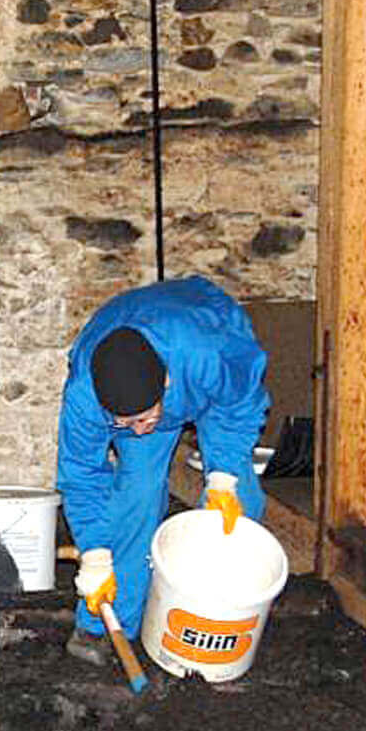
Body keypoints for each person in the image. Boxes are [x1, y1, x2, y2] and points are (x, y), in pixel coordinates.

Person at [56, 277, 270, 667]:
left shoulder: (209, 354)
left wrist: (221, 474)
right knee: (135, 495)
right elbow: (82, 477)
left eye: (143, 418)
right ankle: (104, 623)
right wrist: (95, 556)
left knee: (236, 507)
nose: (138, 428)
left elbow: (239, 405)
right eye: (125, 422)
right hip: (138, 360)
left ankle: (218, 615)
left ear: (166, 384)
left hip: (209, 375)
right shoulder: (86, 395)